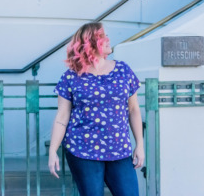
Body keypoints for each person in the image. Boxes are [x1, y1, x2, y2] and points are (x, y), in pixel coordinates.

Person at [48, 22, 144, 196]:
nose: (108, 40)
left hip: (119, 149)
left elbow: (133, 110)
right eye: (102, 36)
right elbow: (62, 116)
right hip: (83, 150)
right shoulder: (71, 76)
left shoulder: (123, 70)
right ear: (90, 43)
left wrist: (140, 145)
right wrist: (53, 150)